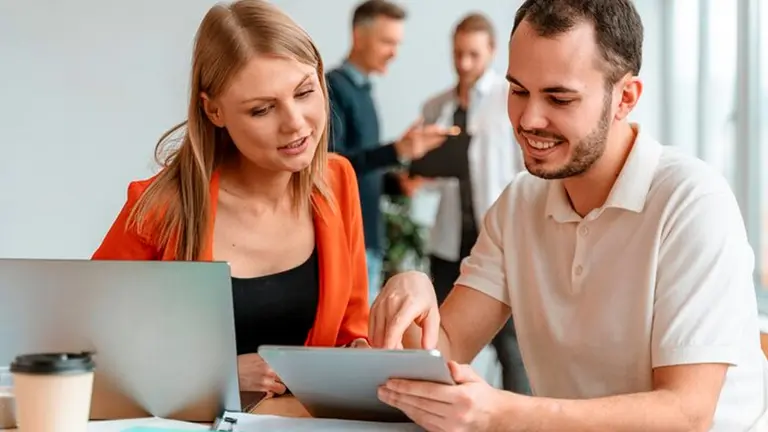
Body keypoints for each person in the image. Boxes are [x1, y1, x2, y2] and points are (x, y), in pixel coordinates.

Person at [368, 0, 768, 430]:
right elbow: (444, 351)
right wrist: (411, 290)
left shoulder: (692, 203)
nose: (528, 119)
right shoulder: (519, 204)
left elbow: (687, 414)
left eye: (559, 98)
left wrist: (501, 413)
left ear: (625, 98)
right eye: (518, 90)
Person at [91, 0, 370, 402]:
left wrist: (365, 356)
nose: (295, 122)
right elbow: (90, 349)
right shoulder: (159, 207)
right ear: (214, 111)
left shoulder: (337, 181)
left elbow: (350, 334)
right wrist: (217, 371)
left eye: (305, 92)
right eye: (262, 109)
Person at [408, 13, 528, 394]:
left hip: (495, 242)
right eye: (458, 53)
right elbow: (422, 182)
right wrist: (416, 168)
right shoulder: (435, 106)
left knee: (511, 347)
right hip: (448, 243)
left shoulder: (509, 102)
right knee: (441, 344)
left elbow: (523, 171)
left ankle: (515, 417)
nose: (464, 63)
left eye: (473, 55)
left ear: (492, 52)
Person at [326, 0, 456, 302]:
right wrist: (396, 149)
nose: (394, 52)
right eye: (387, 42)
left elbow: (362, 171)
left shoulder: (365, 92)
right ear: (359, 36)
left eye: (397, 43)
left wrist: (398, 184)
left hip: (367, 242)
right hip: (346, 244)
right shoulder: (333, 89)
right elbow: (332, 167)